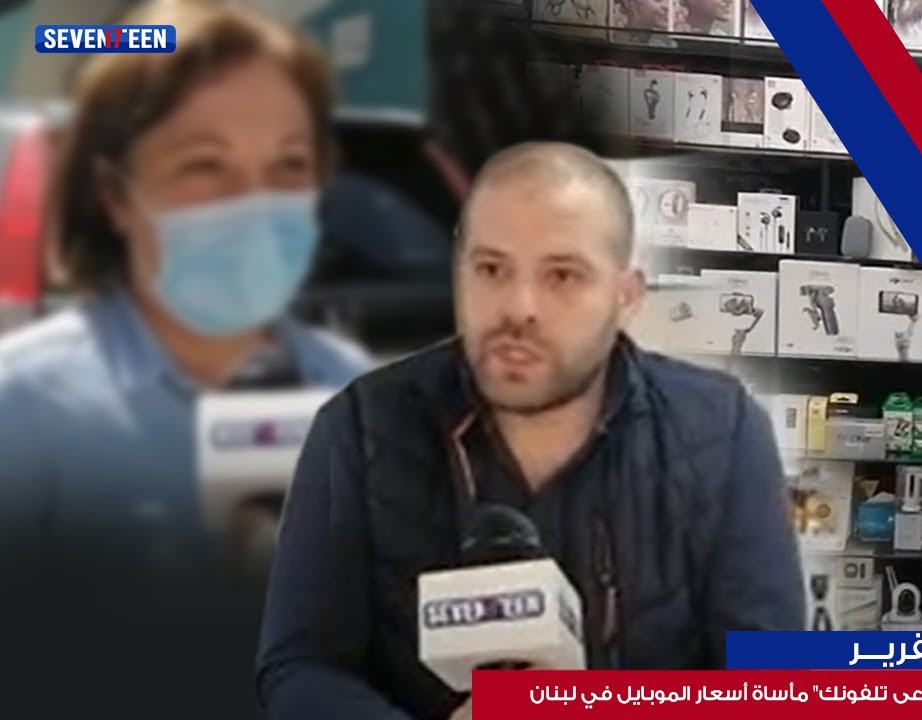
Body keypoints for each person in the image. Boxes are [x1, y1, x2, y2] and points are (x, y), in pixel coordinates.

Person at [257, 142, 804, 720]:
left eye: (562, 276)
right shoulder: (360, 427)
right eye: (491, 269)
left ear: (624, 298)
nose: (519, 308)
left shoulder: (720, 433)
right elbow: (301, 668)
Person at [0, 1, 371, 715]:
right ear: (115, 195)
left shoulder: (352, 389)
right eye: (205, 165)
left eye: (289, 165)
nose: (255, 203)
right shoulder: (23, 406)